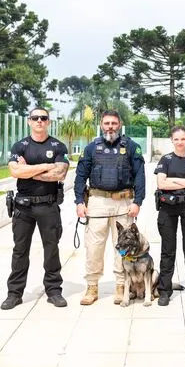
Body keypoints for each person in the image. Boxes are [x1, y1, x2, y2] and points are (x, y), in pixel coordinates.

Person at [1, 108, 69, 310]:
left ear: (48, 122)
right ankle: (14, 294)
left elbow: (60, 173)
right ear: (28, 121)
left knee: (52, 249)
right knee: (20, 251)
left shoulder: (58, 145)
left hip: (48, 205)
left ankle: (54, 291)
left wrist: (28, 170)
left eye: (43, 118)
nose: (39, 121)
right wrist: (46, 166)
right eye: (35, 118)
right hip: (23, 206)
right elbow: (14, 171)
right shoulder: (20, 145)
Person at [74, 110, 145, 305]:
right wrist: (80, 202)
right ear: (101, 124)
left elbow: (140, 176)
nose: (110, 127)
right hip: (97, 202)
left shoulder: (131, 147)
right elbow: (80, 176)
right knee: (94, 246)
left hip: (124, 203)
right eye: (107, 123)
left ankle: (121, 286)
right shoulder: (91, 148)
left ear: (120, 124)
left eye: (114, 123)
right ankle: (92, 286)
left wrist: (137, 202)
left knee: (123, 248)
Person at [154, 125, 185, 306]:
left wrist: (173, 180)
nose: (180, 142)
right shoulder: (166, 159)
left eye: (183, 139)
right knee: (168, 251)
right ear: (172, 140)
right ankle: (164, 291)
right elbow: (161, 183)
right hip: (168, 208)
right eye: (176, 139)